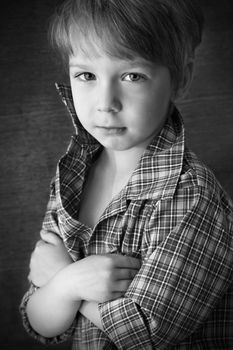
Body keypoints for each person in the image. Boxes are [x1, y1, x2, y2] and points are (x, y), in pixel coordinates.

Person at [20, 0, 233, 349]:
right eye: (86, 75)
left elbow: (146, 337)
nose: (106, 103)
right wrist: (63, 287)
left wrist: (65, 282)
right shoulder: (75, 171)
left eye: (132, 76)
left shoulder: (190, 196)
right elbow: (40, 320)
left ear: (182, 78)